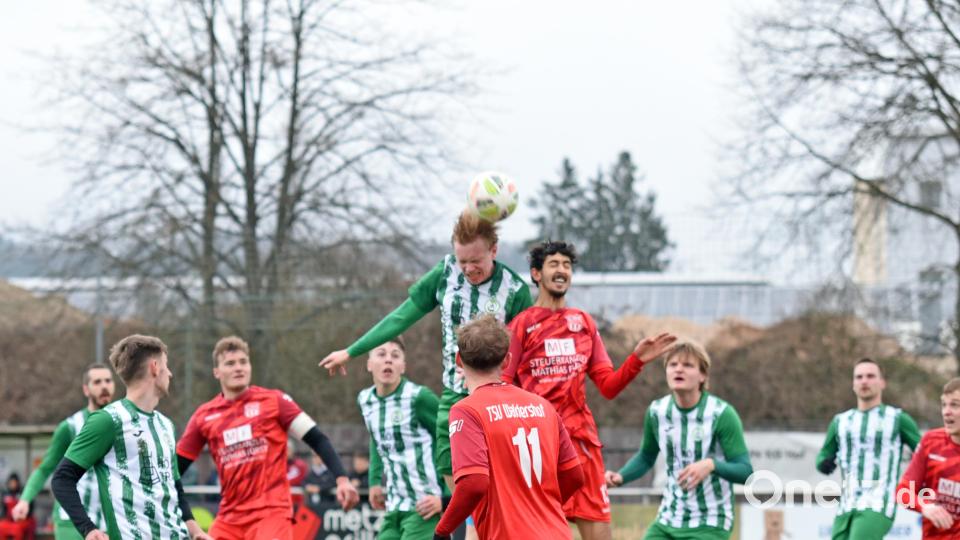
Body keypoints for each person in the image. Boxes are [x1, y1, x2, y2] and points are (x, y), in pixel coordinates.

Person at [320, 211, 533, 489]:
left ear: (494, 250)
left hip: (498, 400)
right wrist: (351, 351)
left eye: (476, 261)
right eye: (462, 261)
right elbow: (401, 317)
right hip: (454, 395)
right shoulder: (445, 273)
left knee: (498, 485)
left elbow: (526, 355)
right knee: (454, 477)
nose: (468, 268)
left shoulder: (515, 289)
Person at [504, 241, 677, 540]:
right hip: (538, 444)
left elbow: (608, 386)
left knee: (599, 532)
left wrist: (636, 360)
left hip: (582, 444)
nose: (562, 270)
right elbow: (504, 385)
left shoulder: (583, 323)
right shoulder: (521, 325)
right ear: (536, 274)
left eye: (567, 265)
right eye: (554, 264)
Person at [176, 336, 358, 540]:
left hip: (271, 514)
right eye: (230, 363)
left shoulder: (274, 401)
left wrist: (342, 480)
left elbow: (318, 439)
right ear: (216, 372)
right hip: (229, 519)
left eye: (243, 362)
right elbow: (172, 473)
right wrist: (191, 524)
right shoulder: (204, 416)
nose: (239, 368)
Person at [434, 315, 585, 540]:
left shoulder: (466, 411)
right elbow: (574, 475)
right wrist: (541, 509)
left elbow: (473, 483)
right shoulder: (543, 406)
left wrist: (442, 531)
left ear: (458, 360)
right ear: (507, 361)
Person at [50, 334, 211, 540]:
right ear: (155, 367)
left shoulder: (166, 425)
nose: (170, 373)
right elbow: (62, 478)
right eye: (166, 365)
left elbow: (175, 488)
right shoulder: (108, 420)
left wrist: (195, 530)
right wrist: (88, 529)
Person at [605, 341, 752, 540]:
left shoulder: (721, 414)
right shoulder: (657, 412)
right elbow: (646, 456)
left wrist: (711, 465)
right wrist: (621, 477)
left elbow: (745, 472)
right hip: (669, 518)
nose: (679, 369)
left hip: (711, 522)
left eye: (688, 365)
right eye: (673, 364)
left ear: (703, 376)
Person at [816, 358, 921, 540]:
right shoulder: (841, 421)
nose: (864, 381)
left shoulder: (898, 419)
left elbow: (924, 452)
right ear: (853, 384)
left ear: (882, 382)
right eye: (859, 377)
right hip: (847, 503)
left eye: (870, 376)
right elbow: (824, 454)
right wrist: (823, 463)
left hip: (878, 502)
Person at [13, 364, 114, 539]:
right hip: (71, 522)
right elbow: (45, 468)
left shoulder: (122, 423)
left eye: (108, 380)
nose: (104, 386)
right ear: (86, 389)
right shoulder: (70, 427)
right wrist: (25, 499)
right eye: (97, 382)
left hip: (108, 521)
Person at [358, 337, 443, 539]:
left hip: (424, 506)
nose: (388, 359)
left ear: (403, 366)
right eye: (381, 354)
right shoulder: (365, 400)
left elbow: (450, 439)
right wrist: (374, 481)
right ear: (369, 364)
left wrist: (445, 497)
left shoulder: (419, 397)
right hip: (394, 506)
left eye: (395, 355)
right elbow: (377, 439)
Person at [896, 377, 960, 538]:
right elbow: (903, 492)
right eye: (944, 404)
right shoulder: (931, 441)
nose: (946, 411)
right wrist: (925, 506)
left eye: (955, 405)